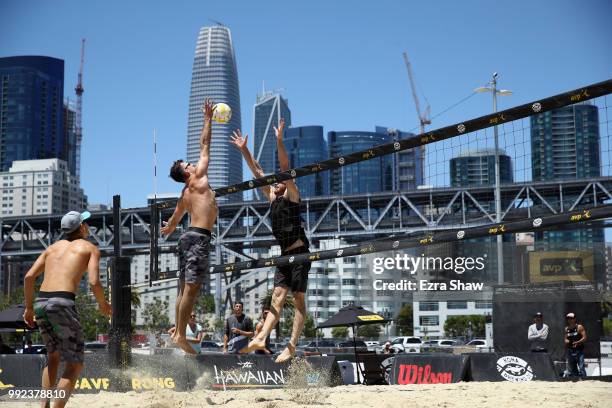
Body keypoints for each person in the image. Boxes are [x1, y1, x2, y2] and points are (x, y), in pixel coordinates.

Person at [231, 118, 311, 363]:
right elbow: (257, 172)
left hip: (300, 254)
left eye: (279, 181)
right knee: (277, 296)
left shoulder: (292, 195)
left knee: (298, 300)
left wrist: (278, 140)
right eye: (273, 182)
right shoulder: (271, 197)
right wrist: (244, 149)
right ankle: (261, 337)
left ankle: (292, 345)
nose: (275, 183)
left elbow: (285, 167)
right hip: (284, 255)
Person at [22, 210, 112, 408]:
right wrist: (102, 303)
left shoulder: (51, 248)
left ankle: (44, 405)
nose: (88, 226)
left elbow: (29, 277)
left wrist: (28, 308)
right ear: (81, 227)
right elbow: (94, 282)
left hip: (41, 303)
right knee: (74, 363)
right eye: (86, 223)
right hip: (62, 303)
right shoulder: (90, 248)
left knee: (52, 357)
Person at [162, 99, 217, 355]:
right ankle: (182, 335)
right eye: (188, 165)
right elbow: (205, 145)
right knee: (192, 289)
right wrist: (208, 118)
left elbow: (174, 218)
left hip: (187, 238)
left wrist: (169, 228)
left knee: (184, 288)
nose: (193, 165)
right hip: (198, 239)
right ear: (186, 173)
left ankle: (177, 330)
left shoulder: (185, 193)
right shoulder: (197, 178)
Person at [564, 312, 587, 378]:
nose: (570, 320)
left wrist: (577, 342)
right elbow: (565, 339)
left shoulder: (579, 327)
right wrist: (569, 342)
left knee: (581, 367)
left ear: (574, 319)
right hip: (570, 350)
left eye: (571, 318)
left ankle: (584, 380)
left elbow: (584, 337)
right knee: (573, 367)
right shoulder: (566, 328)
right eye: (568, 318)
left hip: (579, 350)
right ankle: (576, 380)